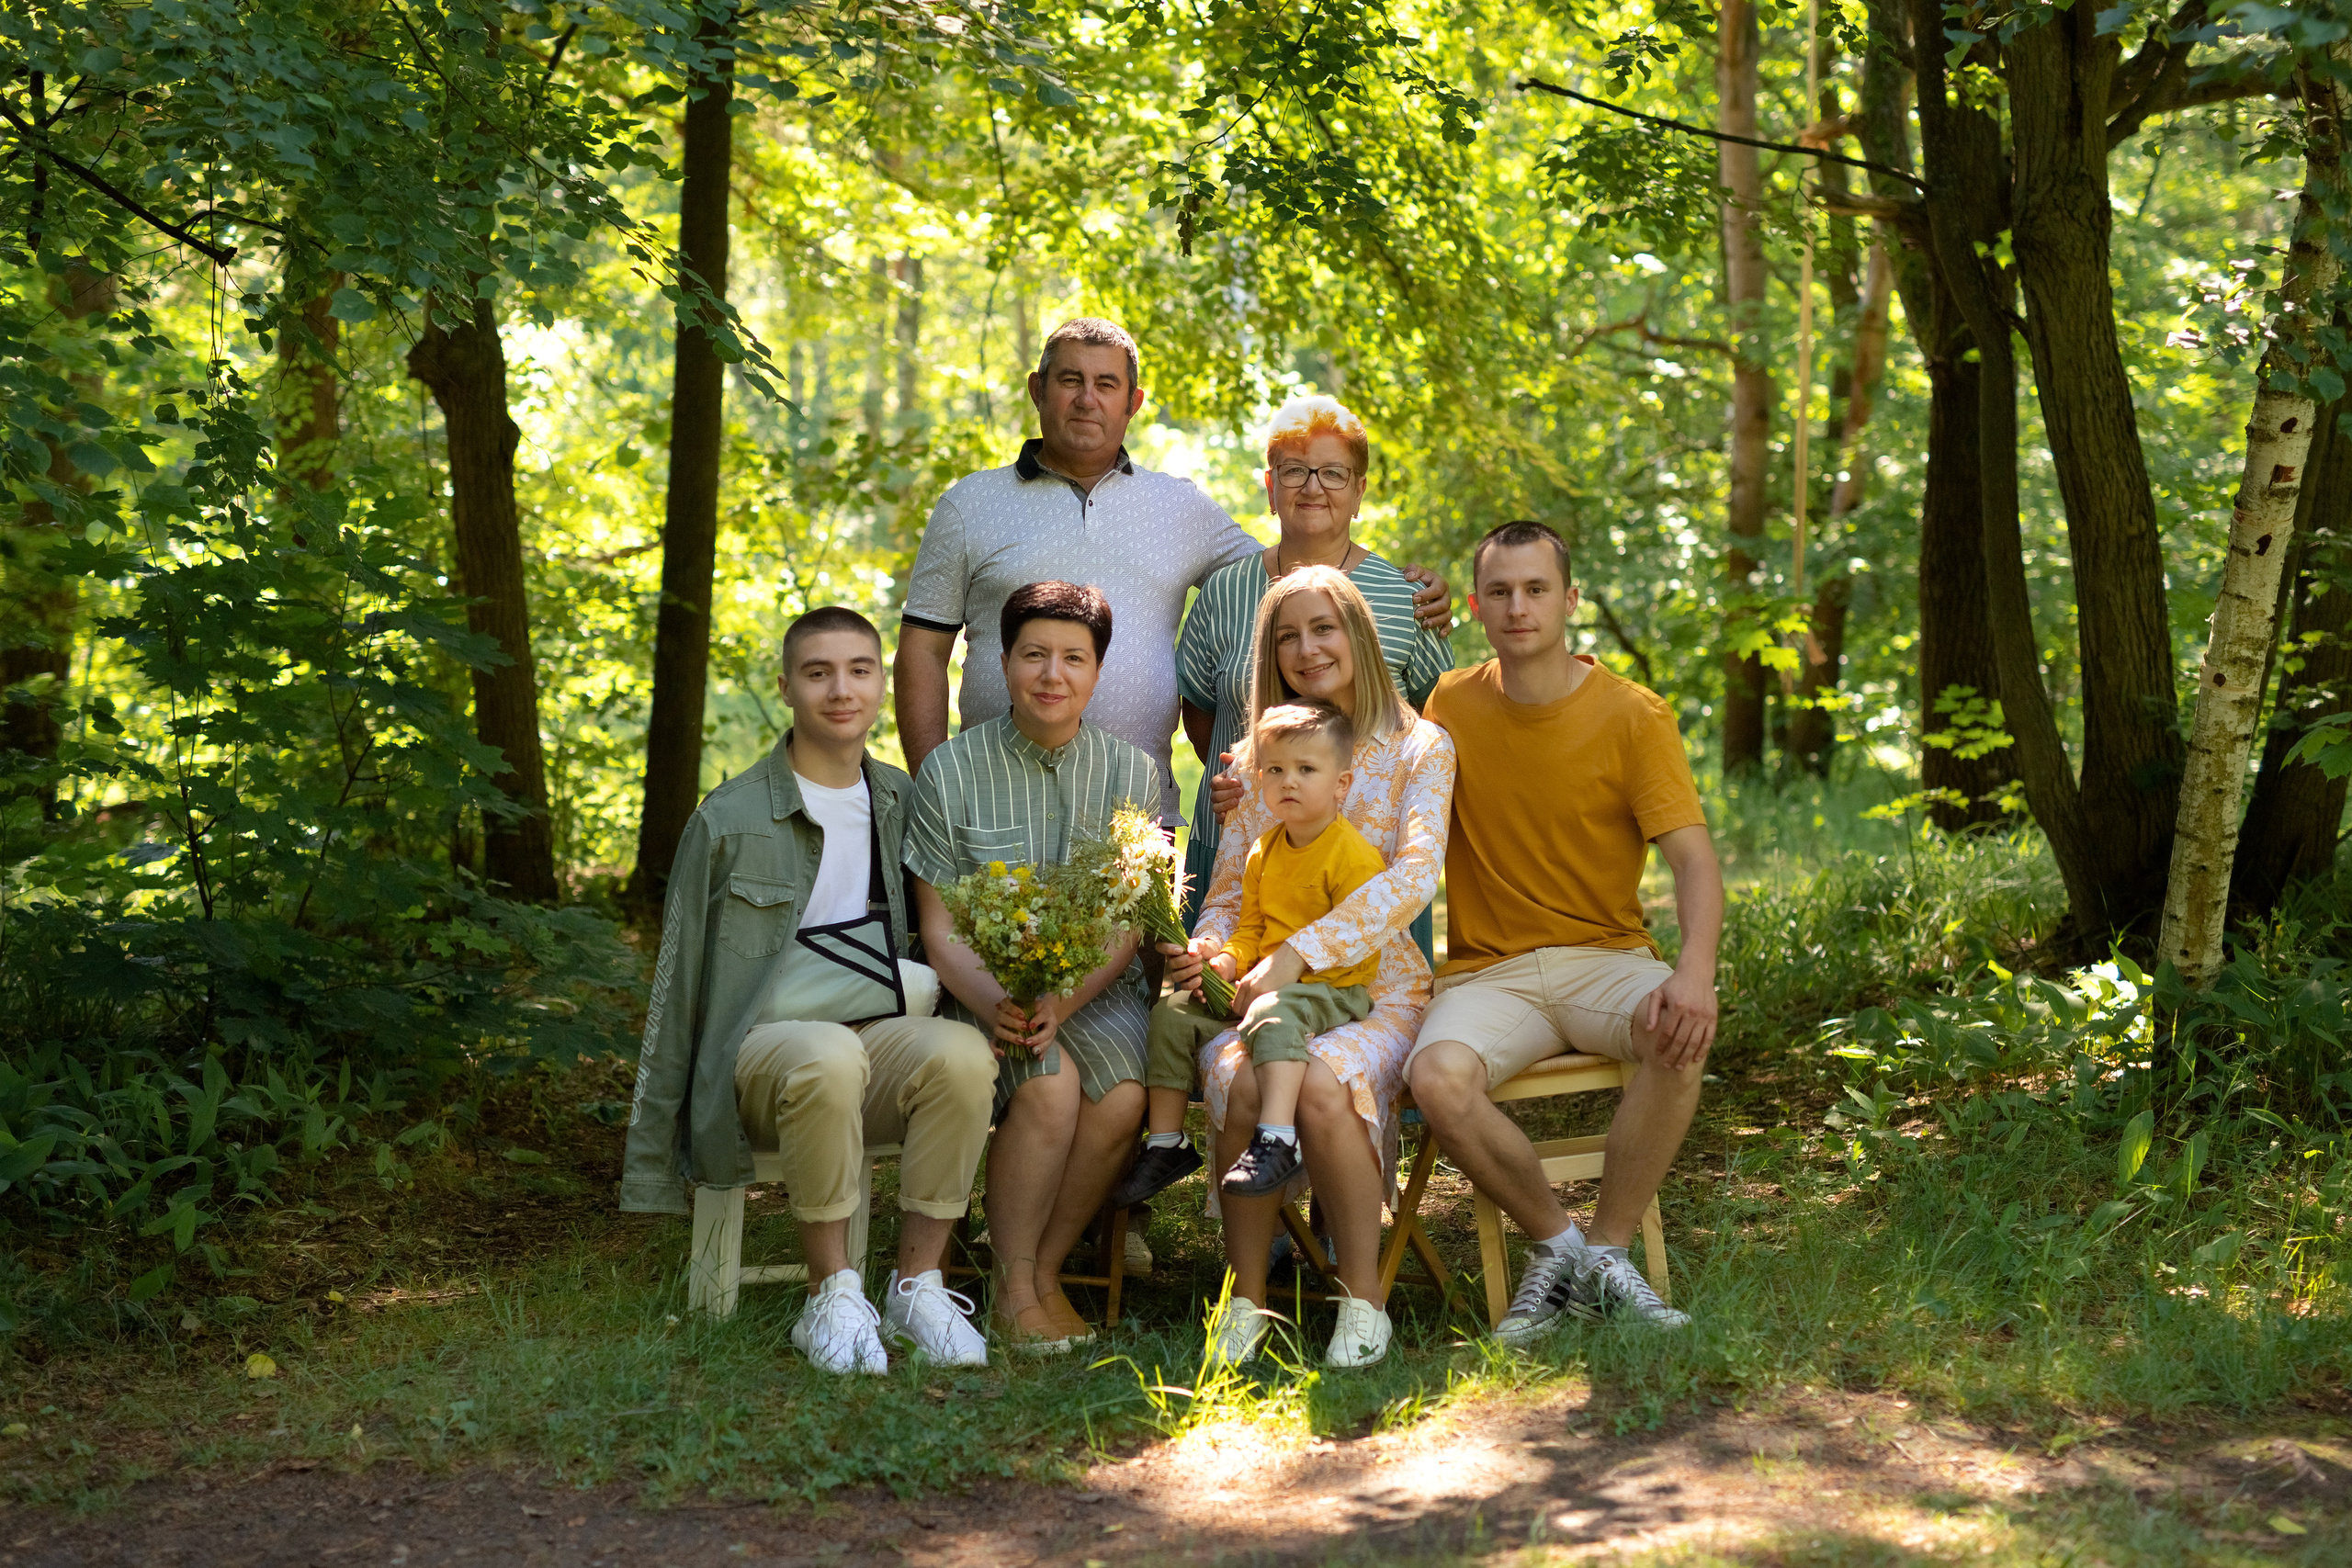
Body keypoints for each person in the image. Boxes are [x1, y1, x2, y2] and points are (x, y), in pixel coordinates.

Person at [620, 607, 999, 1376]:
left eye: (859, 670)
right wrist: (655, 1153)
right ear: (787, 686)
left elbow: (939, 930)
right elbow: (677, 984)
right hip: (760, 1057)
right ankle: (830, 1294)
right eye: (818, 672)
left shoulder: (901, 800)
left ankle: (917, 1287)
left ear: (881, 683)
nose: (841, 690)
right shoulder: (728, 819)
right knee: (827, 1053)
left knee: (963, 1052)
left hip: (872, 1041)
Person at [895, 321, 1451, 818]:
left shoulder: (1179, 508)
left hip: (1137, 811)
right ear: (1037, 389)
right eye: (1069, 380)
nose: (1087, 399)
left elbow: (1294, 569)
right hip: (992, 801)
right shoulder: (971, 505)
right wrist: (934, 788)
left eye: (1106, 384)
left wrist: (1406, 588)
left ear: (1133, 402)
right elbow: (922, 650)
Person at [1407, 521, 1724, 1337]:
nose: (1519, 606)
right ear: (1476, 606)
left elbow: (1694, 861)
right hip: (1491, 973)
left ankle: (1610, 1253)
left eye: (1536, 589)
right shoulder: (1450, 705)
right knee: (1435, 1077)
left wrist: (1694, 973)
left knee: (1679, 1030)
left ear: (1570, 599)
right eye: (1501, 592)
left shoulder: (1634, 715)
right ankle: (1559, 1248)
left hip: (1605, 958)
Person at [1162, 567, 1456, 1369]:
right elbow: (1229, 893)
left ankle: (1363, 1302)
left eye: (1323, 627)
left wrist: (1301, 952)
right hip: (1264, 992)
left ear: (1357, 630)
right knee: (1239, 1075)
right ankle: (1245, 1301)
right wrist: (1211, 949)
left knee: (1322, 1083)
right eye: (1287, 635)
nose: (1307, 648)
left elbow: (1414, 876)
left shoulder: (1421, 747)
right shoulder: (1262, 753)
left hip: (1378, 988)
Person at [904, 581, 1159, 1355]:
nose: (1053, 674)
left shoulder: (1133, 773)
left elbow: (1127, 919)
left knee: (1123, 1096)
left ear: (1098, 670)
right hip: (982, 991)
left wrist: (1065, 1000)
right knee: (1049, 1086)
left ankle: (1043, 1272)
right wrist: (997, 1003)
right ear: (1005, 663)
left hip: (1094, 988)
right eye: (1034, 654)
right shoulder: (949, 771)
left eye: (1073, 658)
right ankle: (1013, 1287)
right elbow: (938, 926)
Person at [1175, 395, 1454, 938]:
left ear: (1359, 491)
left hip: (1369, 864)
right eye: (1294, 471)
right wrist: (1248, 777)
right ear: (1270, 485)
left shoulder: (1406, 598)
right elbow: (1200, 709)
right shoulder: (1225, 590)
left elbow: (1434, 717)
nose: (1312, 487)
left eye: (1332, 473)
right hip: (1240, 841)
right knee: (1223, 979)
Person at [1140, 699, 1385, 1201]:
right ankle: (1166, 1141)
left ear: (1341, 783)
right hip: (1262, 985)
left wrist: (1283, 979)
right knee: (1173, 1007)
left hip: (1332, 988)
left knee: (1272, 1011)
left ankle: (1278, 1137)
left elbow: (1359, 943)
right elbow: (1251, 929)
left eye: (1306, 770)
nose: (1288, 781)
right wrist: (1226, 960)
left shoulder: (1353, 857)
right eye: (1275, 770)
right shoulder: (1263, 850)